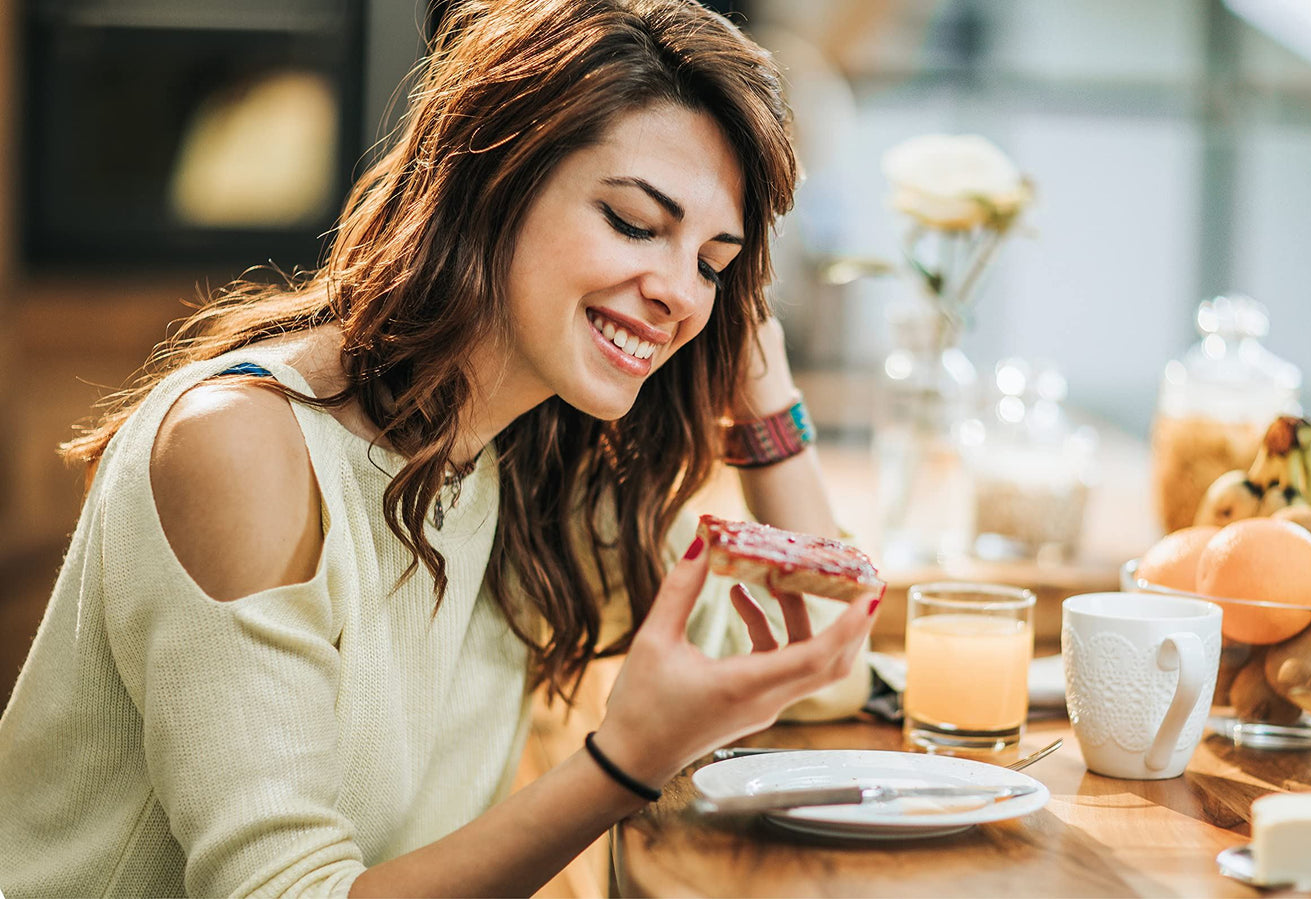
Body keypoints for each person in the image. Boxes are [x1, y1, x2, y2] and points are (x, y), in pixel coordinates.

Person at [0, 1, 880, 895]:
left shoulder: (522, 459)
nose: (679, 298)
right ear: (493, 180)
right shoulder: (244, 447)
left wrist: (761, 389)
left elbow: (816, 662)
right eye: (631, 221)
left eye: (712, 264)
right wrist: (619, 764)